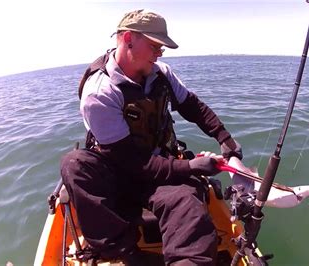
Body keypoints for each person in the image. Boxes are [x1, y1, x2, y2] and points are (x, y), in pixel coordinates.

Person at [60, 9, 242, 265]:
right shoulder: (100, 93)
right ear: (127, 39)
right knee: (75, 164)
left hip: (159, 169)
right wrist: (190, 166)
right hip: (118, 172)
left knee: (186, 201)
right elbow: (132, 162)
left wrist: (225, 138)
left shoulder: (162, 73)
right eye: (155, 45)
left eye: (162, 48)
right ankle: (125, 252)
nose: (159, 54)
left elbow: (192, 106)